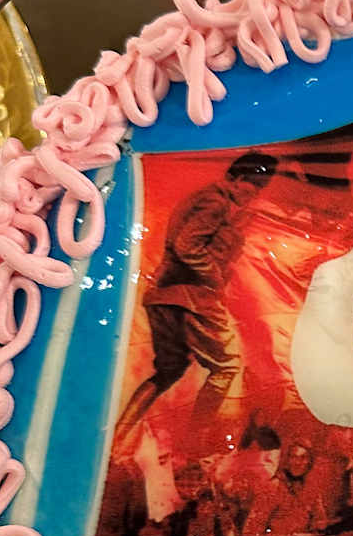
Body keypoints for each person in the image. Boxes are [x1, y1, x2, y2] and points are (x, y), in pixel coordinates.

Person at [118, 151, 277, 434]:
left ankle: (119, 436)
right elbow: (187, 247)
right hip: (191, 296)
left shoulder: (214, 202)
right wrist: (214, 277)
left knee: (169, 371)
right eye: (254, 185)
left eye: (261, 187)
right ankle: (194, 440)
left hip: (165, 295)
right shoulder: (216, 202)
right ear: (236, 178)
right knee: (227, 365)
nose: (255, 193)